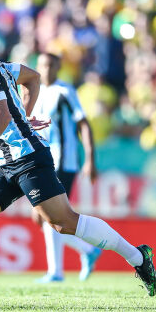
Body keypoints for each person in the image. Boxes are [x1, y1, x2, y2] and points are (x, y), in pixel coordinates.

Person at [0, 19, 156, 300]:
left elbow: (2, 114)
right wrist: (22, 119)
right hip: (9, 161)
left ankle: (138, 257)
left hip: (27, 158)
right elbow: (32, 77)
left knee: (64, 222)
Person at [31, 53, 102, 282]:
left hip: (63, 160)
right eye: (43, 65)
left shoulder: (65, 91)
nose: (47, 69)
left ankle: (56, 272)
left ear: (59, 66)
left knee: (50, 214)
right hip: (42, 160)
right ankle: (88, 250)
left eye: (51, 65)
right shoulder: (35, 92)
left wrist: (90, 159)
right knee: (43, 217)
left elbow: (84, 123)